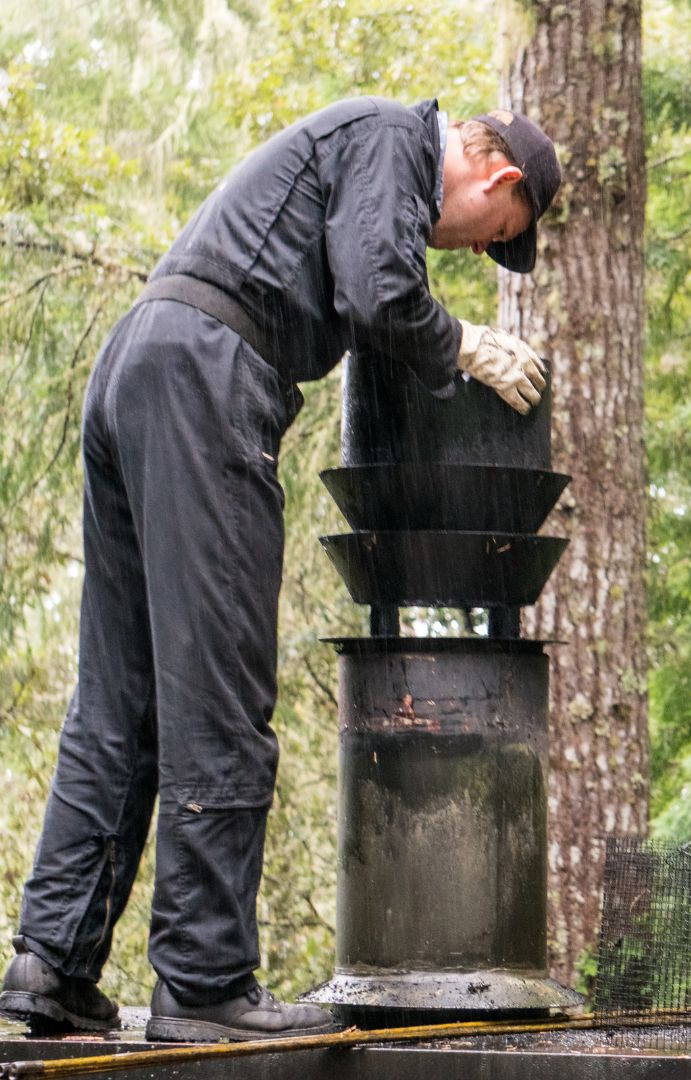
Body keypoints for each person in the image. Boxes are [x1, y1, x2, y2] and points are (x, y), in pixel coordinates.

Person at [0, 96, 560, 1043]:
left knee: (121, 699)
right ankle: (205, 981)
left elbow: (364, 284)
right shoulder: (396, 137)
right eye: (488, 237)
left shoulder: (359, 158)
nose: (467, 253)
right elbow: (381, 293)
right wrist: (465, 343)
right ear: (496, 176)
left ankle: (48, 970)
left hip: (142, 363)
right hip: (207, 377)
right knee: (221, 695)